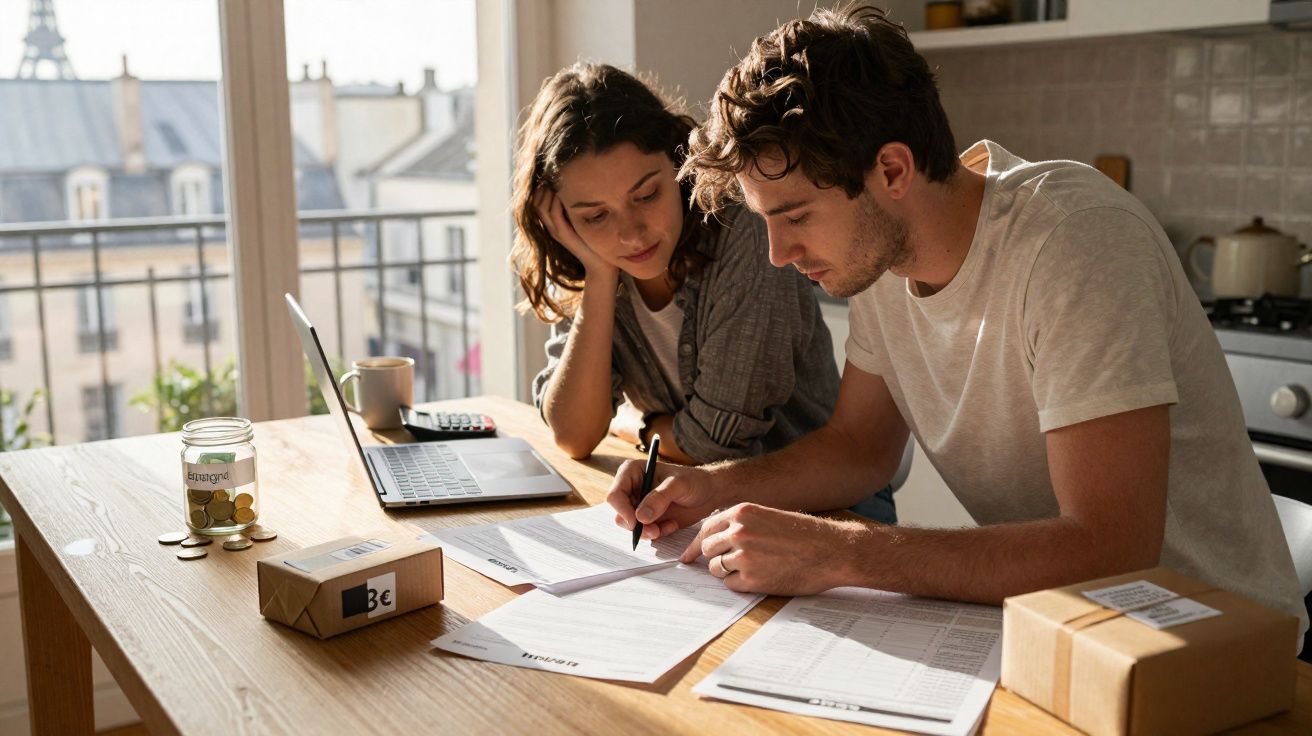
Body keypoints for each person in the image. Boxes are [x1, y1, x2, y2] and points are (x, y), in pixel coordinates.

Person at [605, 5, 1308, 638]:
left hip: (1216, 647)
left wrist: (841, 551)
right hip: (1066, 628)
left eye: (794, 217)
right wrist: (714, 487)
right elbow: (859, 448)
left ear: (892, 169)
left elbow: (1111, 549)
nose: (779, 255)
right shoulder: (881, 259)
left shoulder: (1075, 242)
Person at [512, 63, 897, 523]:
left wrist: (638, 426)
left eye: (647, 195)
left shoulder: (746, 233)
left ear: (679, 163)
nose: (631, 235)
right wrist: (597, 276)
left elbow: (715, 443)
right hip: (699, 507)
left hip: (830, 512)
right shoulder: (593, 261)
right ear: (561, 218)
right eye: (596, 216)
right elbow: (573, 433)